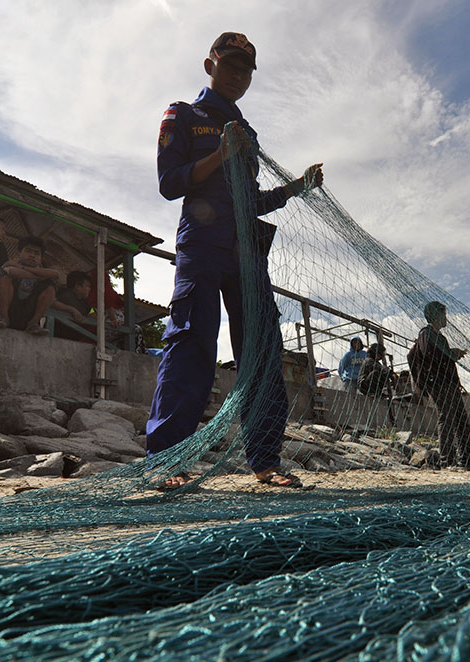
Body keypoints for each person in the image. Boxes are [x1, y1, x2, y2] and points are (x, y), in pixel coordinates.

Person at [146, 32, 324, 489]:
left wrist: (295, 189)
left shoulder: (248, 133)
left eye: (246, 72)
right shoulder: (183, 115)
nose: (238, 77)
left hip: (247, 252)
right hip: (202, 244)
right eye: (230, 67)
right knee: (192, 342)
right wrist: (219, 155)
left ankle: (265, 461)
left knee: (262, 350)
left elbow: (251, 201)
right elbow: (169, 183)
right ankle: (166, 462)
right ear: (210, 65)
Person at [409, 301, 470, 469]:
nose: (446, 318)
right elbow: (431, 356)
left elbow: (442, 357)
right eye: (443, 315)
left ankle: (467, 460)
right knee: (446, 418)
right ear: (436, 316)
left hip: (450, 383)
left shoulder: (440, 337)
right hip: (439, 384)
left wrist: (451, 354)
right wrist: (451, 354)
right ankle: (447, 460)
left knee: (461, 420)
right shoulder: (426, 334)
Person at [0, 236, 59, 335]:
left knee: (50, 287)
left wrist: (21, 268)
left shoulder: (19, 266)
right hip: (10, 310)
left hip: (26, 315)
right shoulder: (9, 264)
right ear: (19, 253)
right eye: (28, 251)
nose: (32, 255)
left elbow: (56, 274)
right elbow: (11, 271)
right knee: (5, 278)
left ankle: (33, 324)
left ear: (41, 258)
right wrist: (39, 275)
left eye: (37, 253)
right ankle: (3, 318)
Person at [51, 270, 92, 339]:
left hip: (73, 339)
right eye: (88, 286)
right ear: (78, 286)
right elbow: (51, 302)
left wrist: (93, 314)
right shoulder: (64, 294)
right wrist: (71, 309)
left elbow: (91, 311)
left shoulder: (84, 302)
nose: (89, 289)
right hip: (55, 336)